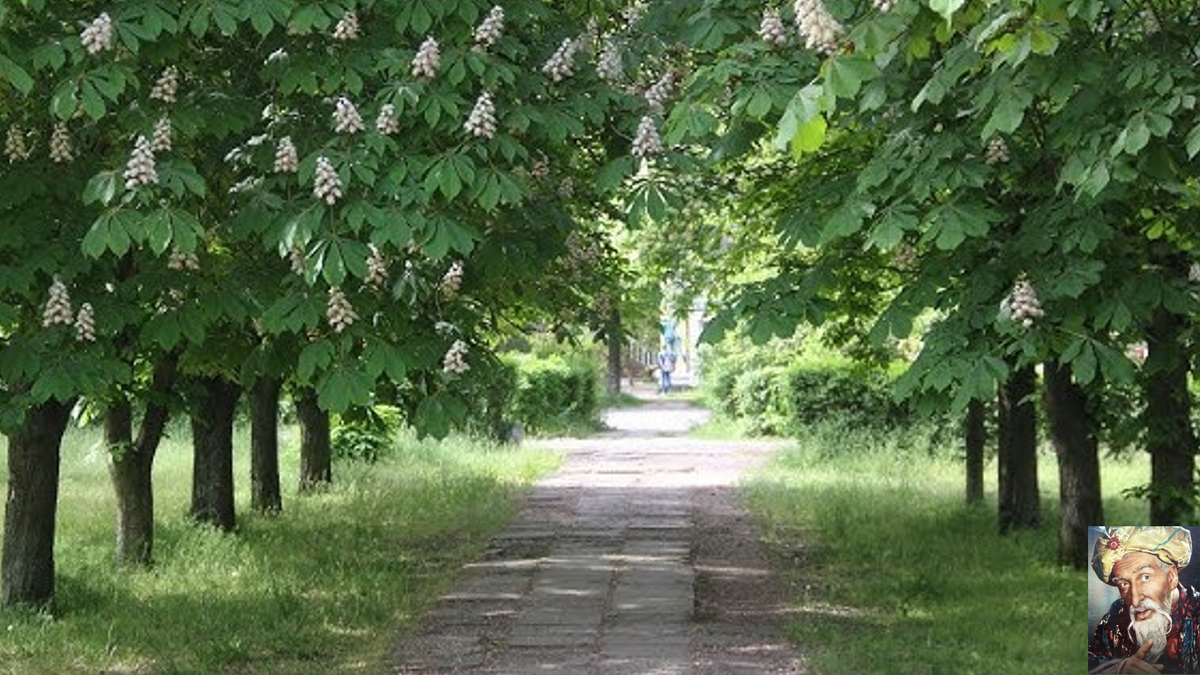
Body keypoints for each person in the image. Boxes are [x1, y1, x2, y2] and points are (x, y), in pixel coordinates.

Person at [1089, 526, 1200, 674]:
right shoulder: (1113, 622)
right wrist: (1115, 671)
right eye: (1124, 584)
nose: (1135, 601)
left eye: (1145, 577)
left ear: (1172, 577)